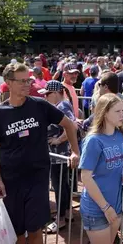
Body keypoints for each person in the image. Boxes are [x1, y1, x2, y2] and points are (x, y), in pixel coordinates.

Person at [0, 63, 80, 244]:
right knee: (18, 232)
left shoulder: (40, 105)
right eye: (22, 81)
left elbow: (69, 124)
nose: (27, 84)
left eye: (29, 80)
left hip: (37, 178)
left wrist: (75, 151)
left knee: (36, 230)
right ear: (8, 83)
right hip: (11, 181)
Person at [79, 93, 123, 244]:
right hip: (97, 209)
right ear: (104, 113)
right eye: (117, 111)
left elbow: (121, 164)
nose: (122, 115)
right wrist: (105, 207)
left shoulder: (120, 136)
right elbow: (85, 177)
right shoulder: (94, 140)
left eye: (122, 111)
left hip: (115, 206)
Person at [40, 80, 79, 234]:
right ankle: (67, 213)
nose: (46, 97)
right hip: (60, 155)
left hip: (60, 155)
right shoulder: (62, 105)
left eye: (48, 94)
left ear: (56, 93)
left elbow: (73, 125)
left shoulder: (62, 106)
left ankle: (61, 219)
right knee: (63, 185)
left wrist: (58, 140)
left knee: (59, 186)